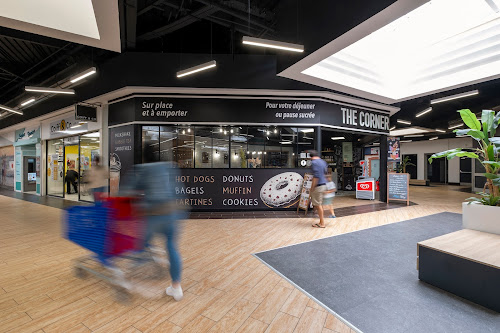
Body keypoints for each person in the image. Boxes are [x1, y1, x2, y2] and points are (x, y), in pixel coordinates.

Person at [122, 143, 187, 301]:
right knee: (172, 247)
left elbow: (126, 191)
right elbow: (179, 190)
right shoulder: (169, 167)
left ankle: (128, 281)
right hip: (172, 213)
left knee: (139, 243)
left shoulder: (141, 169)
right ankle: (176, 288)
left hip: (152, 214)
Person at [309, 150, 328, 228]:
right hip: (324, 185)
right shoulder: (323, 162)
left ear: (311, 157)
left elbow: (316, 176)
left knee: (317, 205)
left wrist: (312, 187)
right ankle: (321, 221)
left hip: (318, 186)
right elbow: (325, 173)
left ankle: (322, 223)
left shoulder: (314, 163)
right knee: (320, 204)